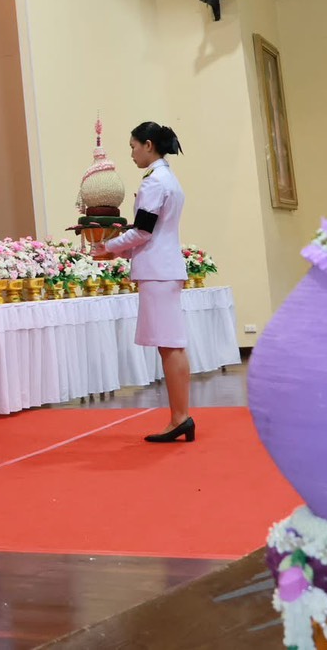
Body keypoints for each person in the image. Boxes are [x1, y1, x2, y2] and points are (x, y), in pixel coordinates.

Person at [93, 121, 192, 443]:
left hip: (157, 270)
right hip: (165, 266)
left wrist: (108, 246)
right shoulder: (169, 179)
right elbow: (152, 232)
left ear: (148, 145)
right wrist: (119, 251)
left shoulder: (154, 182)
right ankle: (181, 415)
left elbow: (143, 231)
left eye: (134, 147)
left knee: (170, 345)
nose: (132, 153)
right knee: (172, 344)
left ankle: (180, 417)